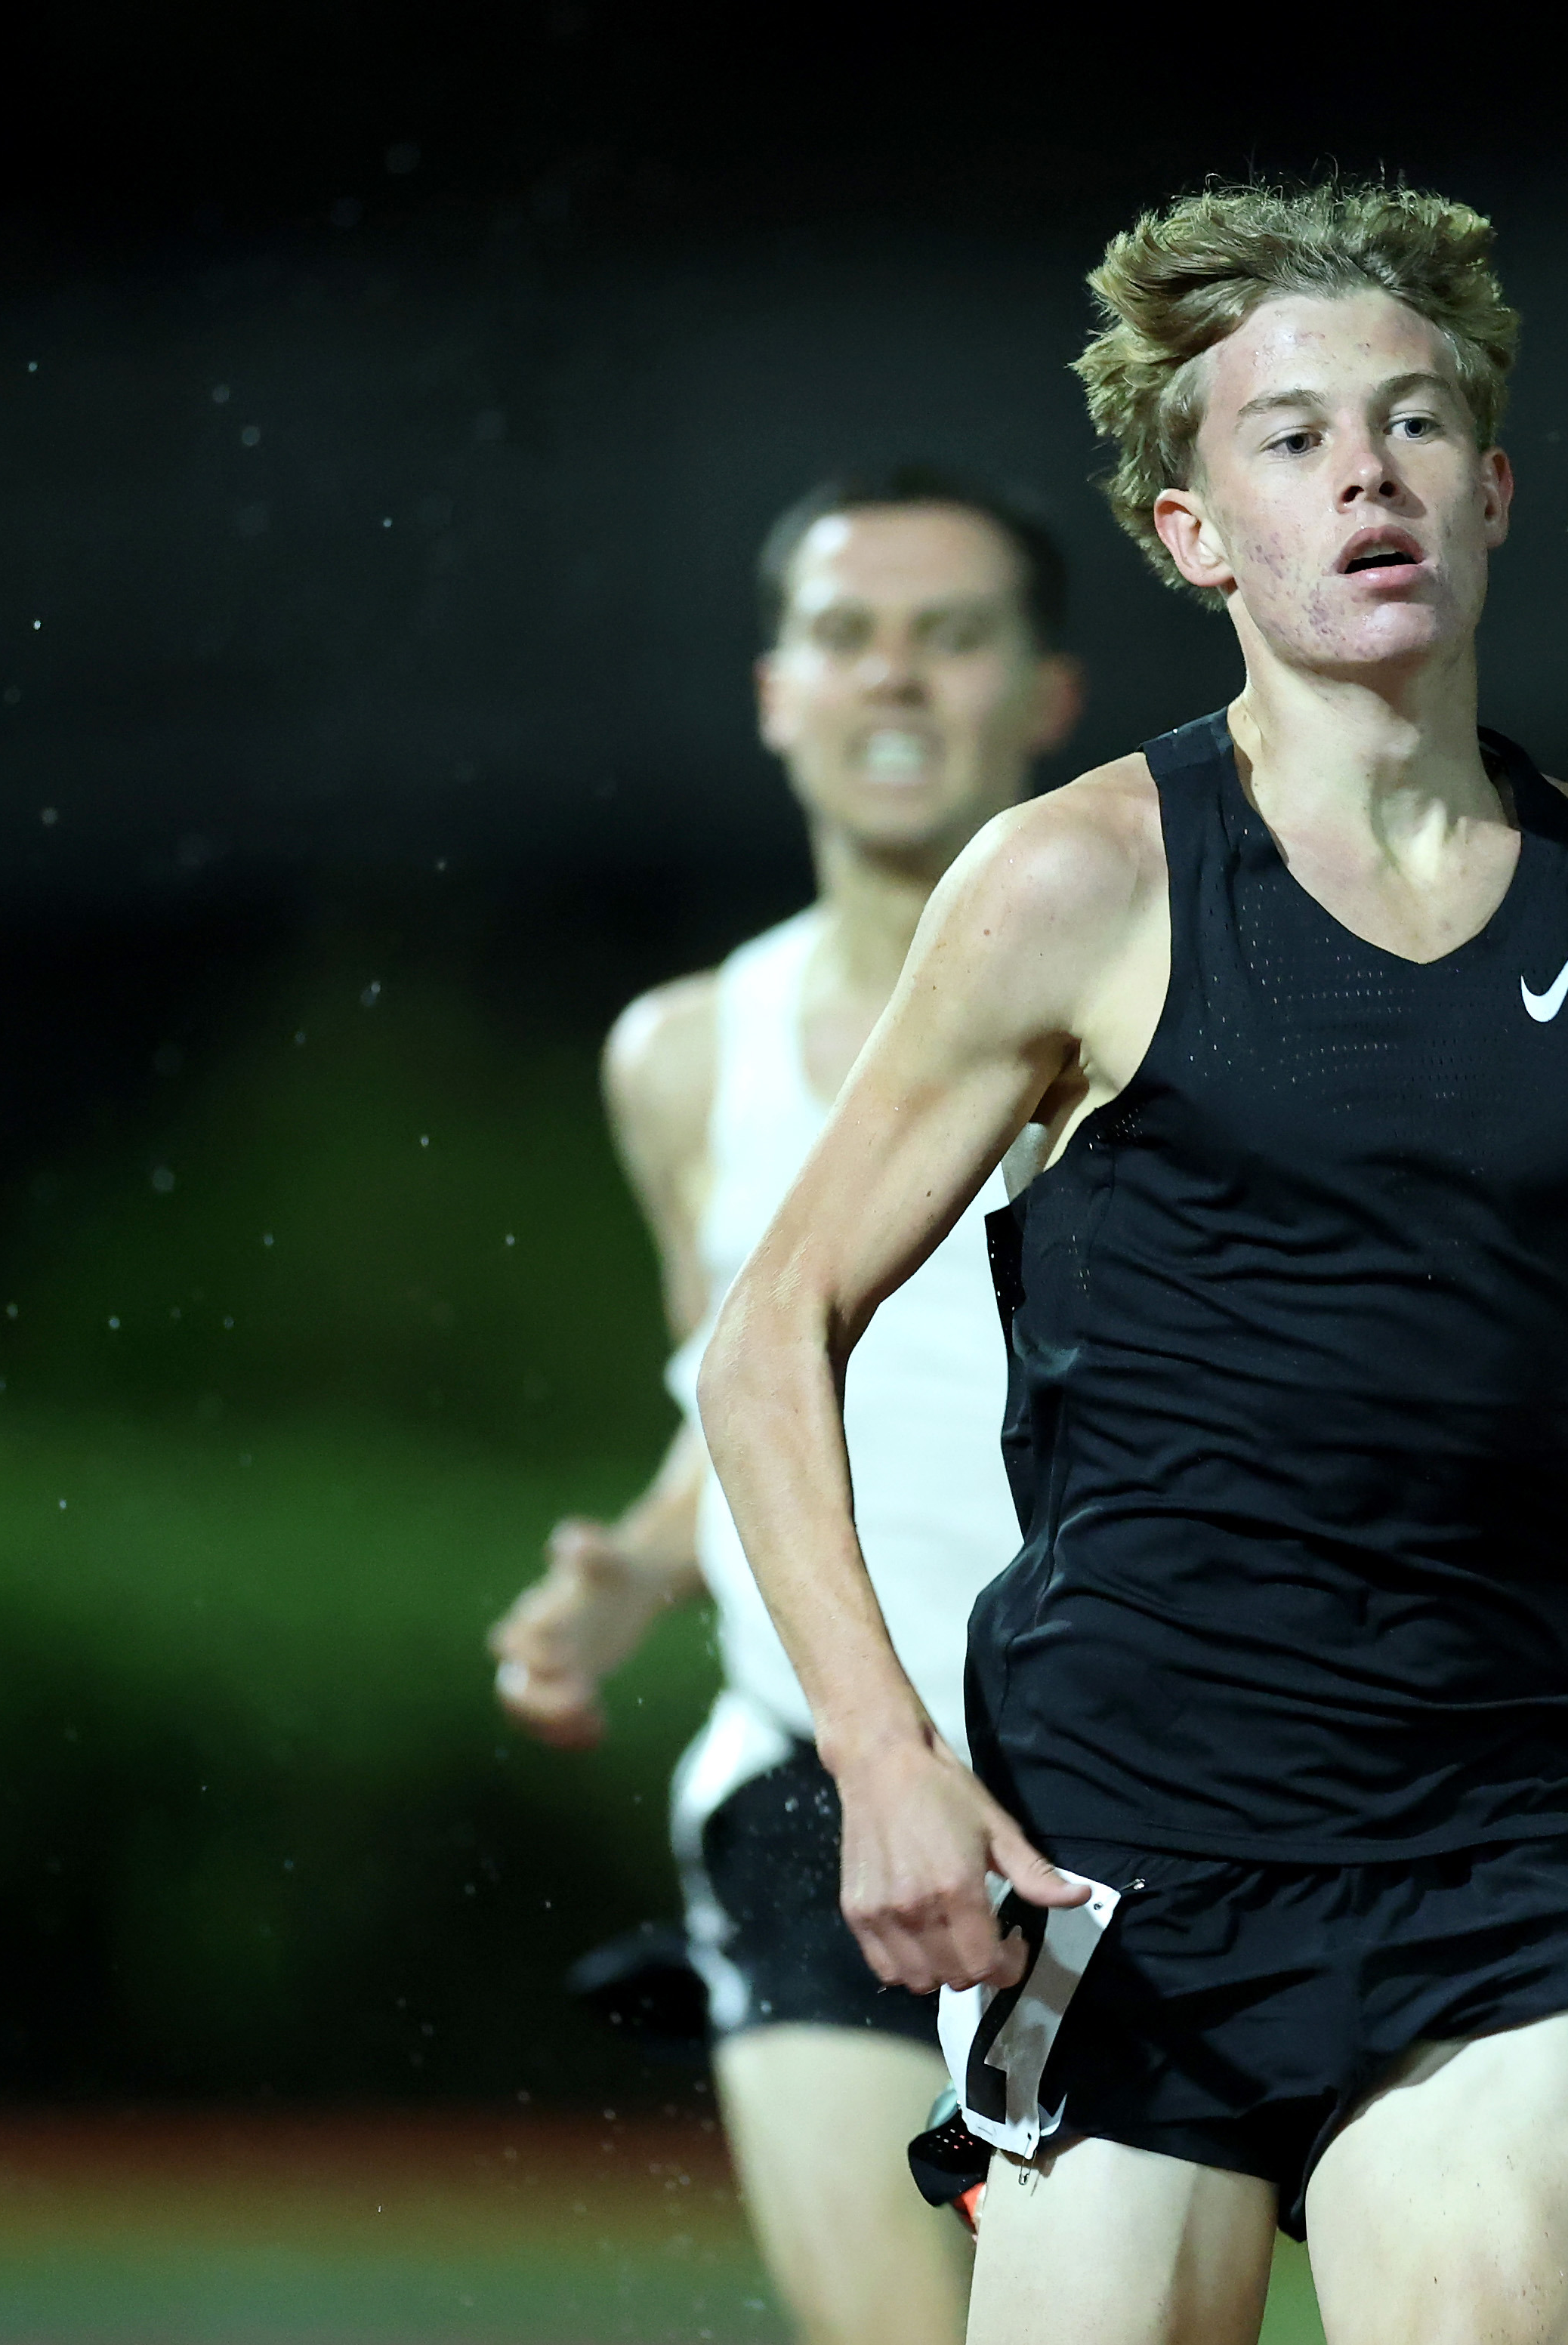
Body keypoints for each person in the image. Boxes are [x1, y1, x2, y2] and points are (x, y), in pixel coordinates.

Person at [699, 177, 1568, 2345]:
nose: (1367, 477)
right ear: (1192, 530)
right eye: (1295, 440)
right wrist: (877, 1753)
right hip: (1119, 1867)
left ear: (1491, 492)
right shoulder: (1077, 885)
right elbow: (772, 1337)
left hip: (1486, 1862)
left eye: (1413, 427)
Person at [487, 467, 1082, 2344]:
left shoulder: (1146, 1024)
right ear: (773, 690)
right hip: (808, 1787)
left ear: (1044, 695)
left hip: (1109, 1800)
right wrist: (641, 1564)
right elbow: (744, 1389)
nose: (893, 678)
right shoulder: (683, 1056)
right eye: (846, 634)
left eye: (951, 633)